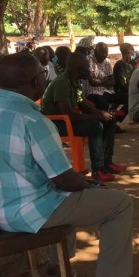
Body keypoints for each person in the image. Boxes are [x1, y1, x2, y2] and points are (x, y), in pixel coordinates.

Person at [0, 53, 139, 277]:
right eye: (41, 74)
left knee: (66, 199)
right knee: (118, 203)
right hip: (23, 213)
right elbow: (65, 180)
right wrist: (90, 186)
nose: (44, 77)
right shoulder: (33, 121)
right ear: (33, 82)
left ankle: (54, 273)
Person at [41, 52, 125, 182]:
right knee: (95, 126)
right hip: (56, 124)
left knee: (109, 120)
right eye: (87, 68)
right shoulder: (62, 83)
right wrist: (97, 116)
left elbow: (82, 104)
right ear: (78, 69)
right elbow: (68, 114)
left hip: (66, 120)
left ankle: (107, 163)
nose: (89, 71)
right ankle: (98, 170)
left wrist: (102, 113)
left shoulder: (74, 81)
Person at [85, 42, 125, 111]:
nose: (104, 55)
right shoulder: (88, 59)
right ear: (95, 51)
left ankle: (119, 120)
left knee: (126, 97)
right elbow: (92, 82)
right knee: (103, 104)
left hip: (106, 91)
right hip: (91, 93)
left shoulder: (107, 61)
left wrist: (99, 82)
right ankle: (105, 119)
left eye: (106, 53)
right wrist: (105, 79)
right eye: (101, 52)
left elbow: (113, 82)